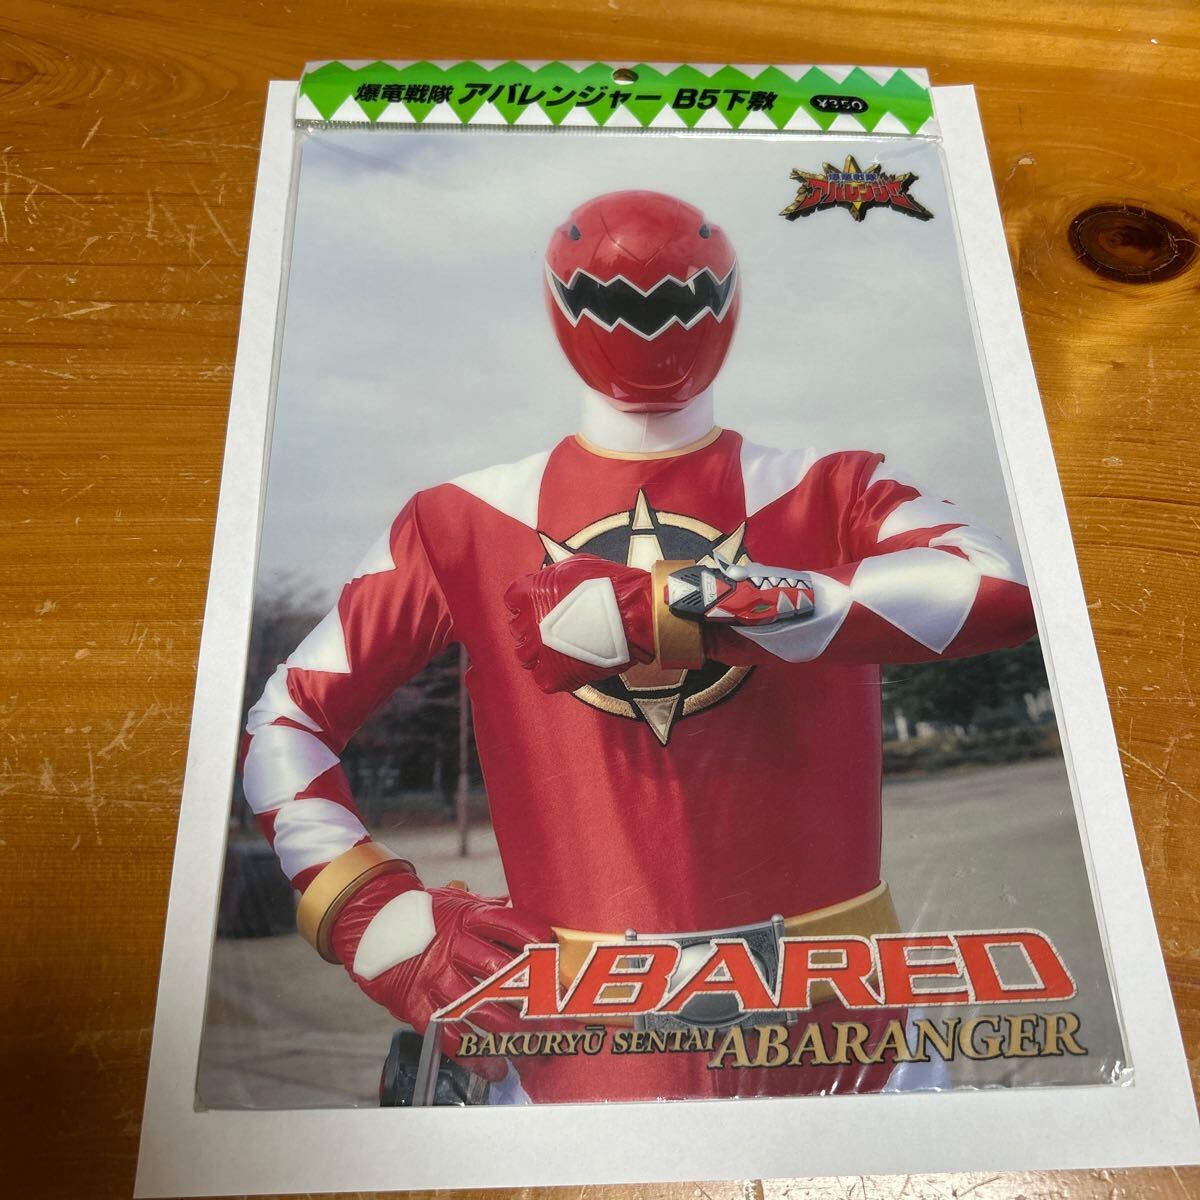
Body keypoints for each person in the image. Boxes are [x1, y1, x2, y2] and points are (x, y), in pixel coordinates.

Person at [240, 190, 1035, 1103]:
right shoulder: (458, 521)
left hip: (848, 1039)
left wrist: (679, 605)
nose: (649, 307)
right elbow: (287, 720)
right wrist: (367, 908)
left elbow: (998, 587)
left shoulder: (832, 487)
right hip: (583, 1052)